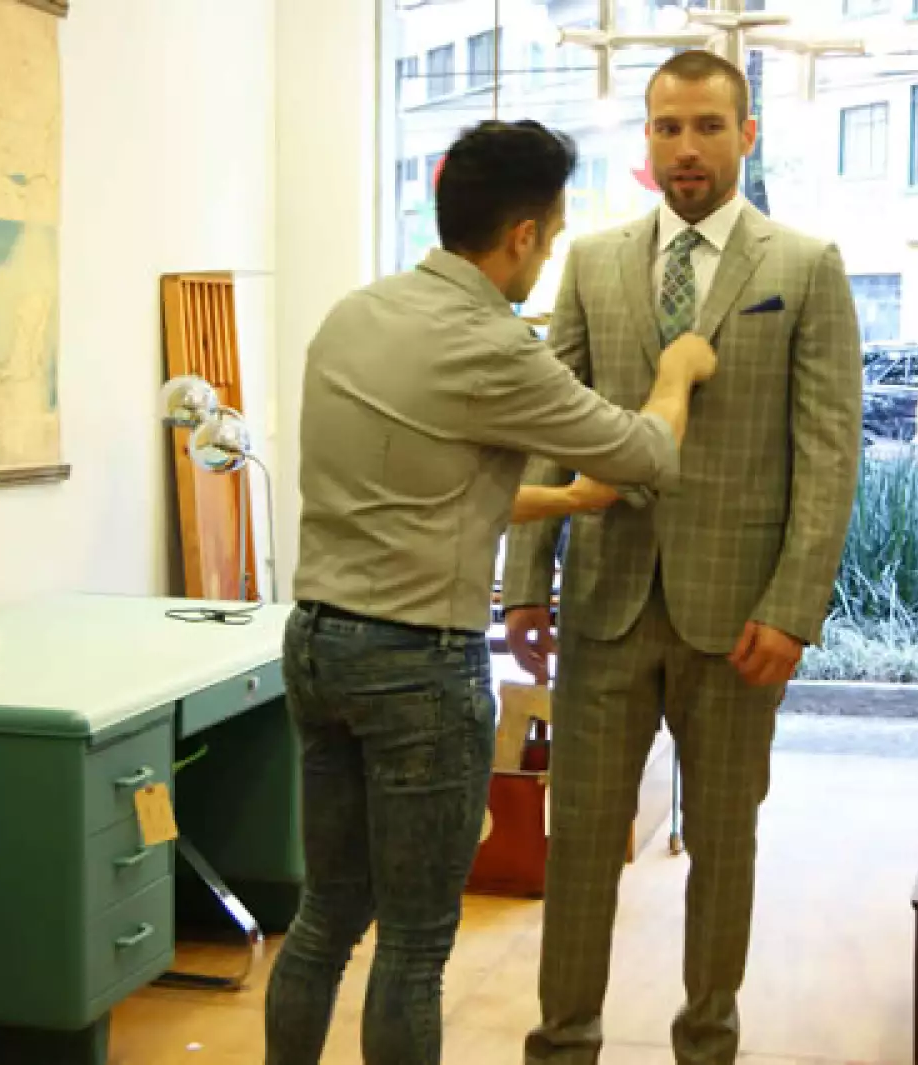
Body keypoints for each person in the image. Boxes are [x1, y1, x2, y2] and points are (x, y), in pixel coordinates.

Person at [264, 118, 719, 1065]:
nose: (548, 255)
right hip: (416, 667)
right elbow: (645, 452)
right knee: (419, 944)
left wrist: (560, 495)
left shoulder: (356, 314)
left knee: (324, 916)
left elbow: (416, 484)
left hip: (315, 646)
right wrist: (675, 374)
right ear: (520, 235)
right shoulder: (493, 346)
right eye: (550, 239)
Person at [502, 50, 863, 1065]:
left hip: (739, 613)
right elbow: (546, 427)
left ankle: (708, 1039)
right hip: (605, 602)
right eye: (667, 127)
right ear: (646, 140)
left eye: (708, 125)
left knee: (723, 842)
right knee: (577, 844)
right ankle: (562, 1041)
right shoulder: (595, 261)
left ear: (747, 134)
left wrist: (795, 605)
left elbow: (829, 454)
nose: (687, 147)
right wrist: (527, 581)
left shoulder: (802, 266)